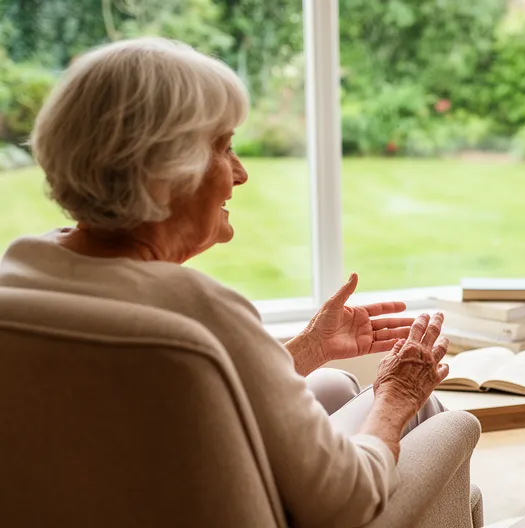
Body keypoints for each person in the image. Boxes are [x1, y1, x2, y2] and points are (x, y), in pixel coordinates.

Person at [0, 37, 450, 527]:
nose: (240, 174)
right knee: (438, 419)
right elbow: (346, 502)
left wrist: (308, 348)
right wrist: (399, 393)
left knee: (331, 386)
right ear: (164, 172)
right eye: (225, 147)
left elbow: (191, 398)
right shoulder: (205, 310)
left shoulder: (20, 276)